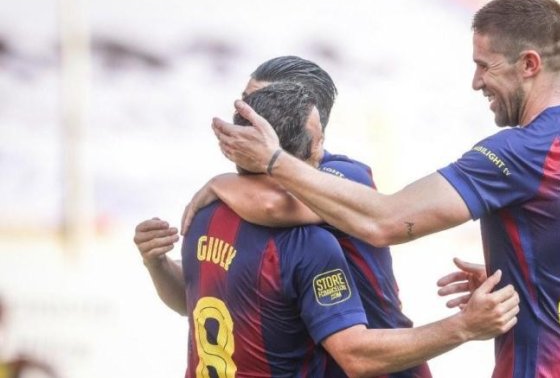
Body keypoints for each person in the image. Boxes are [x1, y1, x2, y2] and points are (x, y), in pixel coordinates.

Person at [212, 0, 560, 378]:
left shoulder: (524, 150)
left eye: (484, 66)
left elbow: (385, 221)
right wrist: (531, 285)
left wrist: (272, 161)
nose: (476, 82)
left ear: (529, 64)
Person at [175, 82, 519, 377]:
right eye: (318, 139)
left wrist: (159, 261)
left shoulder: (202, 214)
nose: (324, 150)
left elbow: (191, 297)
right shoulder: (310, 240)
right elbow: (356, 355)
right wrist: (465, 326)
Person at [134, 56, 435, 376]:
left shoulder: (344, 177)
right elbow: (194, 297)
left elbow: (274, 204)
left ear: (303, 114)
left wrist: (218, 182)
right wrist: (157, 262)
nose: (245, 115)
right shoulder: (226, 204)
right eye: (244, 102)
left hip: (386, 363)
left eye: (258, 104)